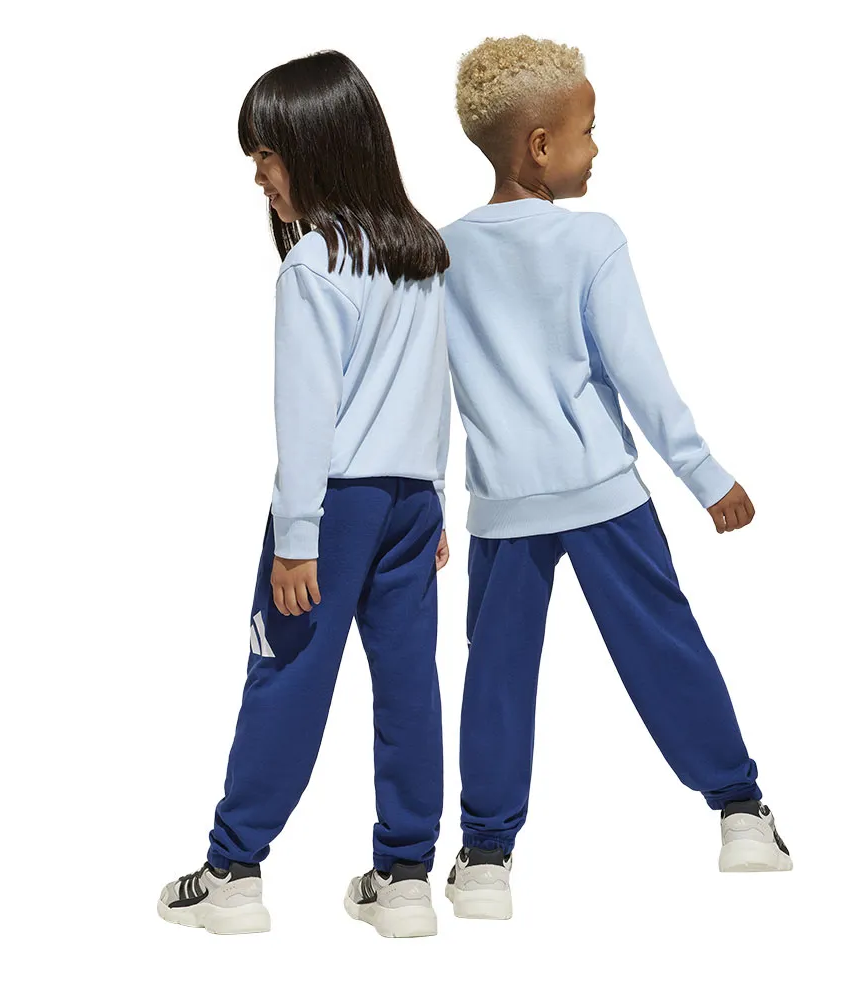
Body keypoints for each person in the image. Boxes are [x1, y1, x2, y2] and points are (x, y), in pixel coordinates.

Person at [439, 35, 792, 921]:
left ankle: (484, 859)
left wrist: (424, 503)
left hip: (504, 506)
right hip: (603, 492)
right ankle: (740, 812)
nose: (597, 147)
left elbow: (427, 388)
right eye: (588, 130)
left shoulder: (443, 252)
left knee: (496, 677)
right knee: (663, 648)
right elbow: (638, 370)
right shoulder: (591, 238)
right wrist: (705, 475)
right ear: (540, 147)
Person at [157, 50, 452, 938]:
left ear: (319, 146)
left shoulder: (315, 265)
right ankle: (405, 878)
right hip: (410, 501)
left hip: (334, 509)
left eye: (268, 155)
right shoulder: (421, 253)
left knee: (285, 676)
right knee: (409, 685)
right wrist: (435, 496)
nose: (260, 176)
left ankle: (233, 872)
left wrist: (297, 537)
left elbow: (306, 414)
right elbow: (430, 387)